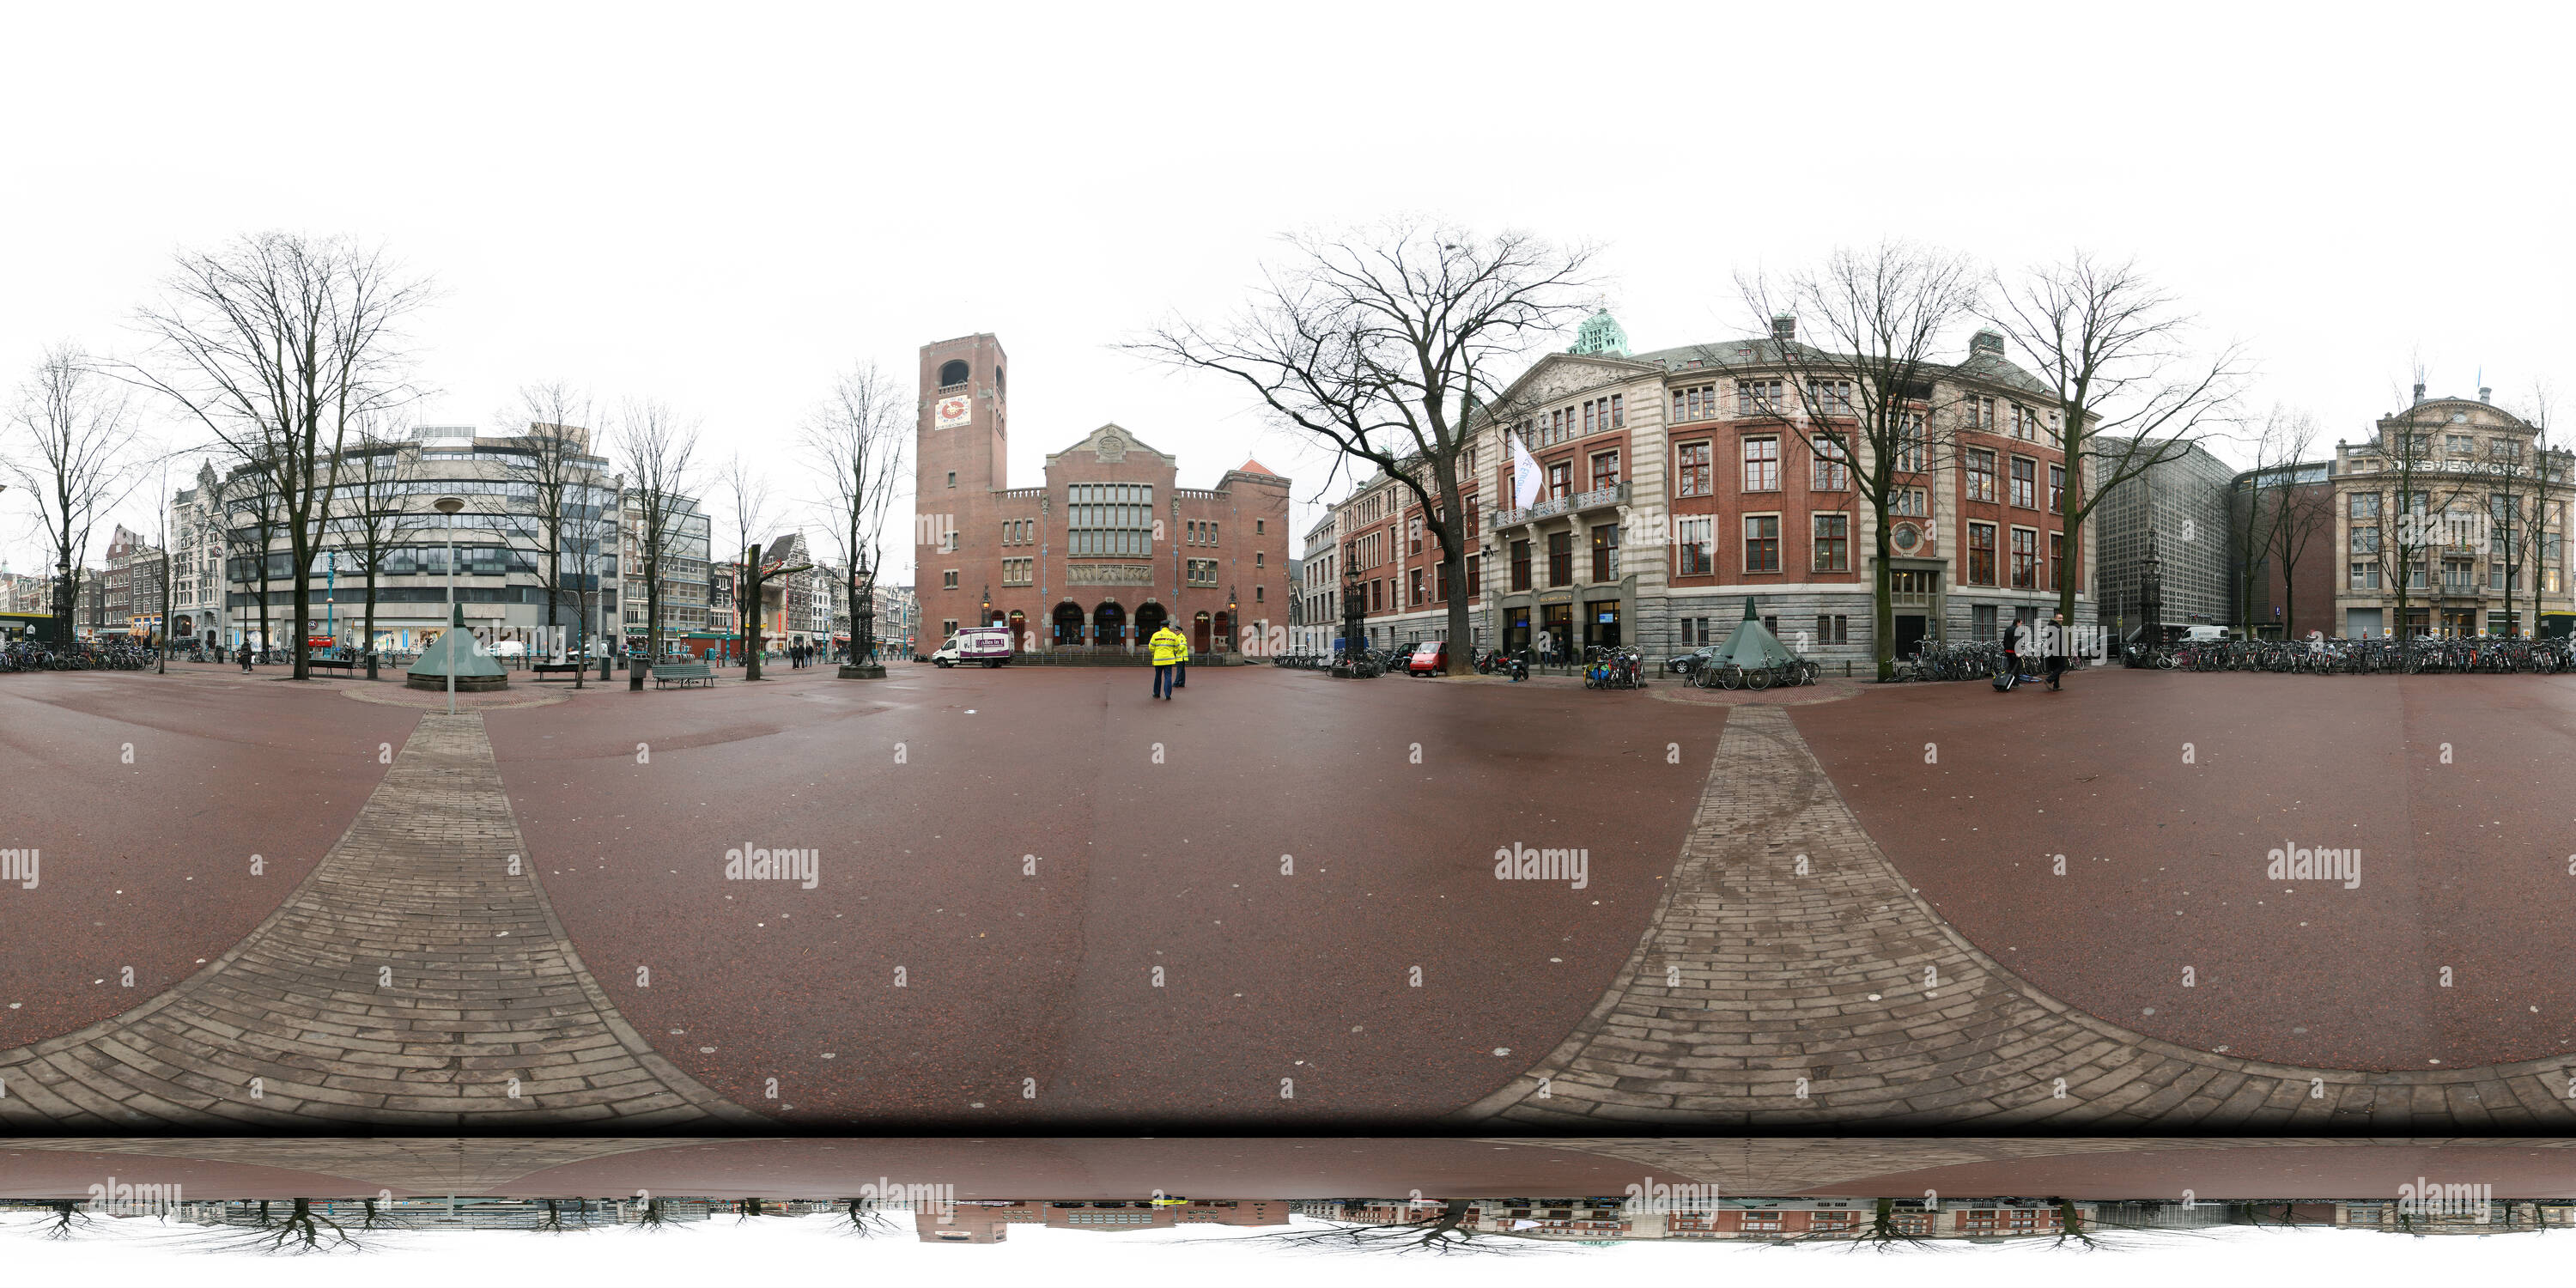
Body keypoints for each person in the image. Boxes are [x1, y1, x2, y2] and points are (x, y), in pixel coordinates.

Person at [1149, 619, 1188, 699]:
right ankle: (1168, 695)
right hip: (1169, 659)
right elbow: (1177, 648)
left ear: (1162, 626)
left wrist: (1155, 652)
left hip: (1158, 659)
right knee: (1168, 676)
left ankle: (1156, 693)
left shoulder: (1156, 635)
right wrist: (1173, 651)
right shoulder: (1173, 636)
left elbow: (1150, 647)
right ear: (1168, 626)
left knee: (1158, 676)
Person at [2044, 611, 2069, 690]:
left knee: (2056, 667)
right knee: (2062, 666)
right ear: (2055, 619)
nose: (2061, 619)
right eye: (2059, 618)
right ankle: (2049, 680)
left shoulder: (2051, 626)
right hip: (2058, 650)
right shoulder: (2057, 627)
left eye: (2062, 618)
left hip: (2052, 650)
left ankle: (2056, 685)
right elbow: (2060, 640)